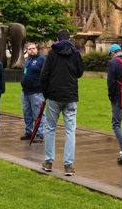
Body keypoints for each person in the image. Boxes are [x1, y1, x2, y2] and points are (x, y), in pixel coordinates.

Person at [40, 29, 84, 176]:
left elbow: (44, 74)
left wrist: (46, 93)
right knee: (70, 131)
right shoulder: (75, 53)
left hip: (54, 95)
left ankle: (48, 162)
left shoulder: (52, 53)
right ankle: (69, 165)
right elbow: (80, 73)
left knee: (51, 128)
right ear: (70, 38)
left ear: (57, 39)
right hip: (70, 97)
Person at [21, 43, 45, 143]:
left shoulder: (42, 59)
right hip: (25, 92)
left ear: (37, 49)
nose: (32, 50)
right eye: (29, 49)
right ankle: (29, 132)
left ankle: (39, 134)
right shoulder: (28, 60)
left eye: (33, 48)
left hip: (36, 92)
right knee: (27, 114)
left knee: (38, 114)